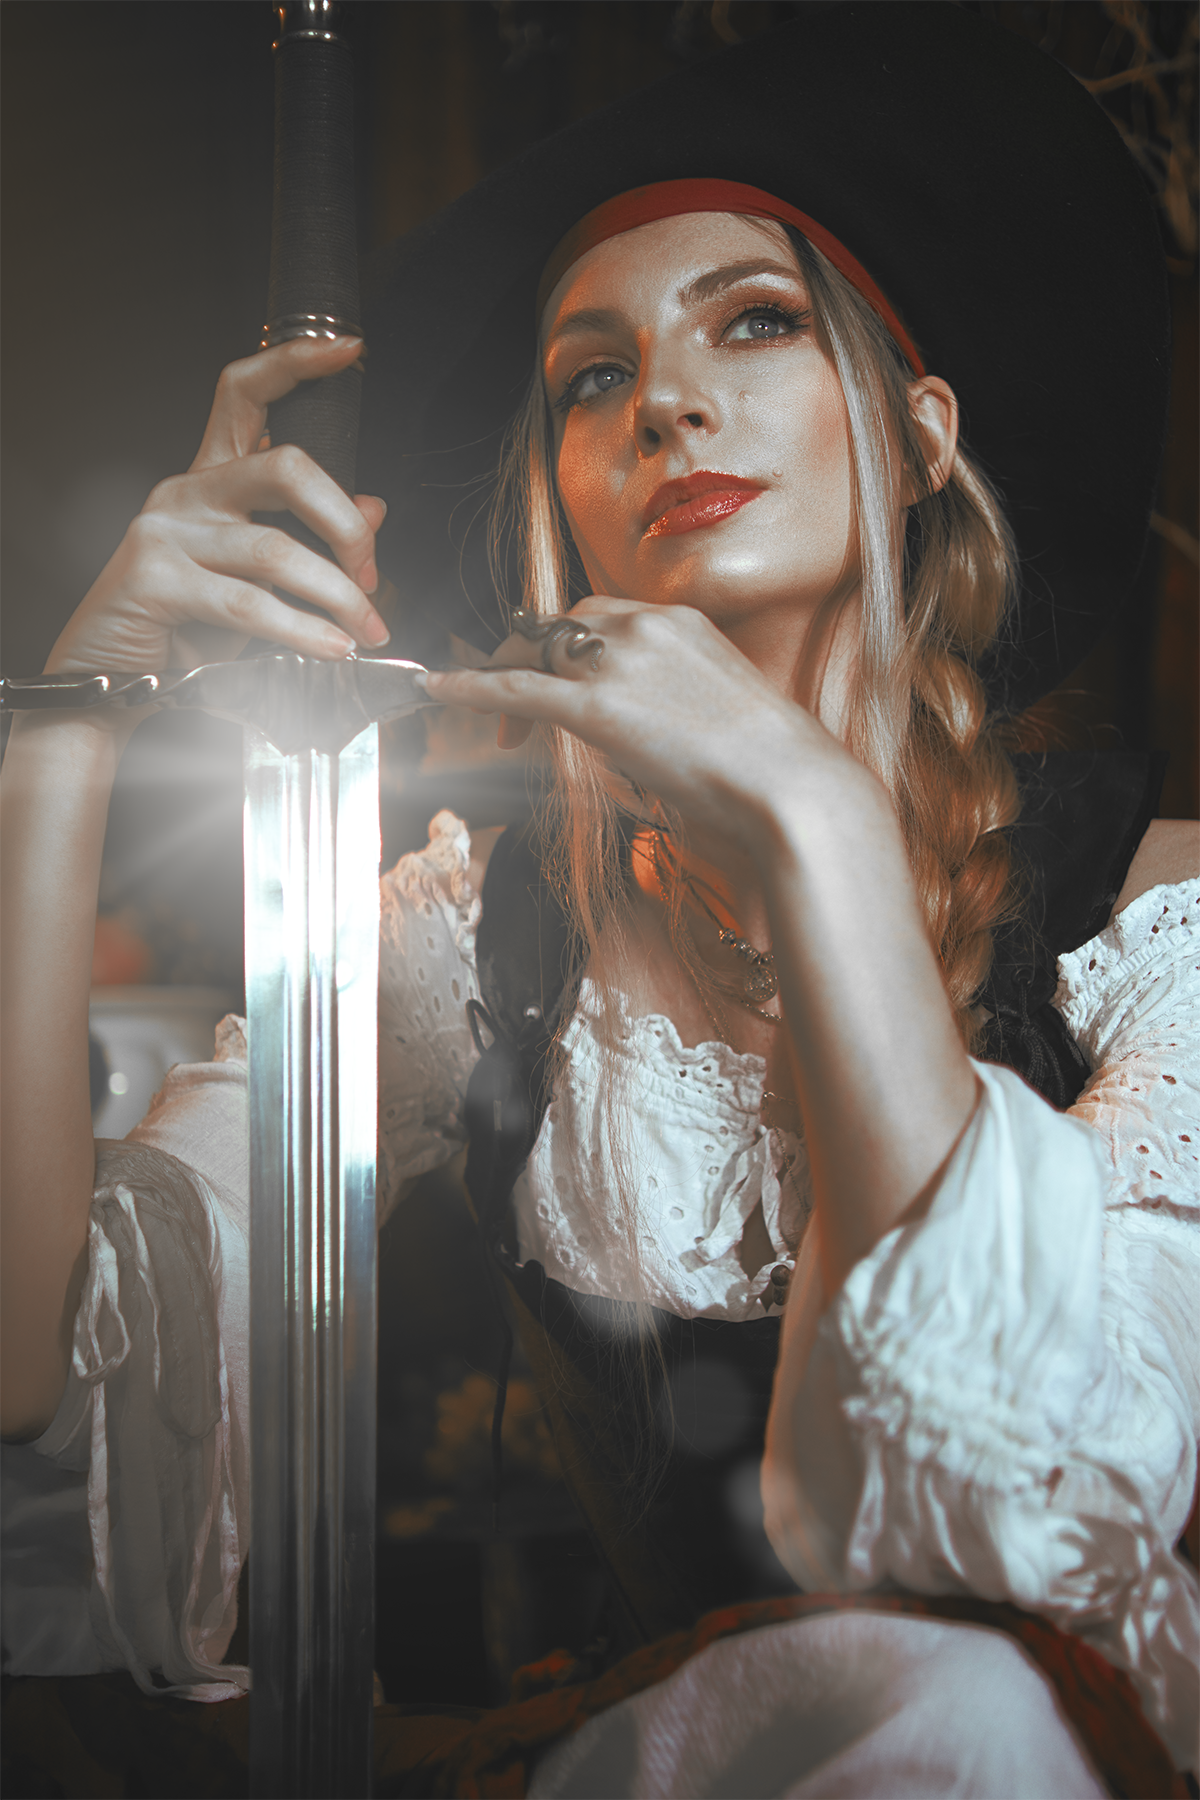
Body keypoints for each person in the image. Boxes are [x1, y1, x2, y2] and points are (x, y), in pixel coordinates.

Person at [2, 7, 1196, 1794]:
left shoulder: (1152, 916)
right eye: (590, 374)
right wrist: (61, 728)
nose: (668, 403)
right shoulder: (474, 942)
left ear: (923, 432)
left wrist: (809, 818)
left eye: (757, 323)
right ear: (563, 489)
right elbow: (37, 1376)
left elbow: (1016, 1531)